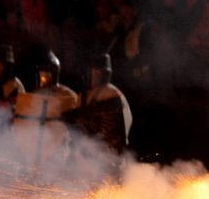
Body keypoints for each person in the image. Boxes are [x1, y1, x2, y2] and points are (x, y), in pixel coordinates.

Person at [12, 49, 78, 177]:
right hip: (33, 150)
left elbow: (73, 127)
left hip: (59, 150)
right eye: (41, 72)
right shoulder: (33, 95)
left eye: (46, 72)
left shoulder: (67, 95)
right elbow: (22, 123)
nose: (43, 76)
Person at [79, 53, 132, 153]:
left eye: (95, 70)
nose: (93, 74)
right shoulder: (90, 94)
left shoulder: (110, 93)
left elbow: (110, 132)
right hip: (96, 155)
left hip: (106, 156)